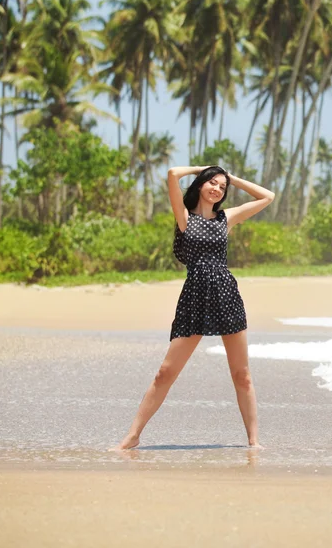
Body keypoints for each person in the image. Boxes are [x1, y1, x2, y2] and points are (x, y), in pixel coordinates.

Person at [116, 165, 275, 450]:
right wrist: (205, 169)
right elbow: (173, 173)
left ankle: (253, 442)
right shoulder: (185, 218)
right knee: (165, 372)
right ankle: (133, 435)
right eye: (212, 183)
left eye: (222, 187)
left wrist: (231, 178)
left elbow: (268, 196)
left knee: (242, 374)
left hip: (226, 294)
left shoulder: (226, 218)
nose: (217, 189)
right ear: (201, 184)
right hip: (195, 296)